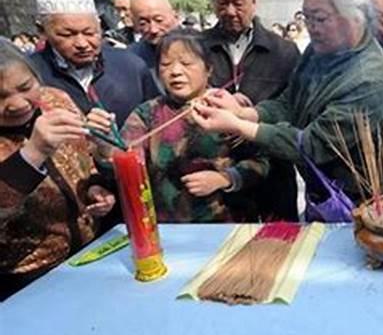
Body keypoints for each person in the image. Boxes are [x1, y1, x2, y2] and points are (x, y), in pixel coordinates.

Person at [191, 0, 383, 212]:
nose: (311, 27)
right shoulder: (320, 49)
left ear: (353, 15)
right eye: (306, 17)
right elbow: (289, 102)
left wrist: (238, 126)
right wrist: (242, 112)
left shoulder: (371, 81)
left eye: (320, 18)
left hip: (358, 203)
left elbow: (312, 145)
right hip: (322, 194)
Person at [88, 30, 269, 223]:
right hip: (168, 226)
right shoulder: (148, 113)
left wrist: (225, 178)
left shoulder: (230, 107)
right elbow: (127, 166)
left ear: (208, 69)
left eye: (186, 63)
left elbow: (262, 162)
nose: (175, 72)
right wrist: (105, 146)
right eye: (165, 64)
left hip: (228, 224)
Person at [0, 40, 115, 300]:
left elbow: (83, 157)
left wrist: (97, 187)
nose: (17, 104)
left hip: (91, 255)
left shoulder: (56, 100)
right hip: (26, 280)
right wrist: (33, 153)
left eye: (25, 87)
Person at [202, 0, 300, 219]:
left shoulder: (284, 51)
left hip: (271, 171)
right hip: (215, 173)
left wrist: (246, 118)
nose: (230, 12)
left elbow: (294, 107)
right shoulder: (197, 48)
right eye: (222, 4)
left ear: (254, 3)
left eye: (238, 4)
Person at [31, 0, 160, 127]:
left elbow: (158, 121)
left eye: (90, 33)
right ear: (42, 31)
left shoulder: (131, 66)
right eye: (67, 35)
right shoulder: (29, 74)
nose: (82, 44)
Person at [128, 0, 180, 72]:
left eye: (159, 20)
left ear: (175, 17)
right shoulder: (132, 57)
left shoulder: (199, 48)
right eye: (143, 23)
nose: (153, 30)